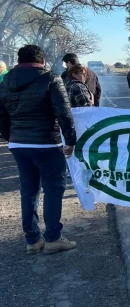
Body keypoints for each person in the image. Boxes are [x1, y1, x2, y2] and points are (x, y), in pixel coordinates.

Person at [0, 45, 77, 254]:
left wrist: (11, 137)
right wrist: (70, 140)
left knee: (29, 190)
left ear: (18, 60)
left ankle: (33, 240)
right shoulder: (51, 78)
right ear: (42, 61)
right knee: (53, 188)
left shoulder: (6, 80)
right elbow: (64, 113)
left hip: (18, 144)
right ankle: (53, 238)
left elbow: (2, 114)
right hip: (47, 144)